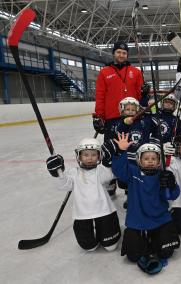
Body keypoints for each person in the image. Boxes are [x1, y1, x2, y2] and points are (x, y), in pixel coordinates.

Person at [107, 133, 180, 275]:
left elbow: (173, 195)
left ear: (159, 160)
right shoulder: (132, 173)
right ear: (139, 159)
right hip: (137, 220)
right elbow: (119, 170)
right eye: (146, 158)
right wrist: (121, 151)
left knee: (166, 253)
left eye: (154, 158)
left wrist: (171, 185)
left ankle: (154, 239)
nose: (150, 161)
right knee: (133, 256)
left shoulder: (163, 175)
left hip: (160, 220)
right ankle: (146, 240)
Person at [45, 138, 121, 252]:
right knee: (89, 247)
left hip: (105, 212)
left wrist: (109, 160)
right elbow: (64, 185)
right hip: (82, 215)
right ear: (79, 156)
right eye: (85, 154)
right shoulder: (73, 173)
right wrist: (57, 173)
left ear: (99, 156)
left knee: (111, 246)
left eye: (94, 154)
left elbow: (111, 175)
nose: (90, 158)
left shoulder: (100, 170)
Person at [93, 42, 144, 196]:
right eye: (119, 52)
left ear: (127, 55)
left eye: (124, 53)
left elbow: (141, 95)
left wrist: (145, 92)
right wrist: (98, 116)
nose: (121, 55)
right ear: (114, 53)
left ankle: (128, 181)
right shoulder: (104, 72)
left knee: (130, 149)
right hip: (112, 118)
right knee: (110, 150)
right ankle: (110, 181)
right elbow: (100, 95)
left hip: (131, 118)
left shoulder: (135, 72)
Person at [111, 97, 156, 208]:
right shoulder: (119, 123)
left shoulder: (143, 121)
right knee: (129, 179)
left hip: (141, 157)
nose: (130, 112)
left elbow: (155, 125)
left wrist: (153, 112)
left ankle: (143, 196)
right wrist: (125, 123)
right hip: (128, 157)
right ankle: (130, 197)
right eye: (127, 109)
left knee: (141, 177)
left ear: (138, 110)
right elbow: (118, 130)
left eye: (133, 109)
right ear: (122, 110)